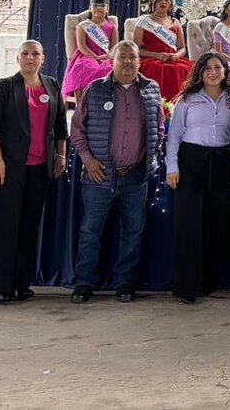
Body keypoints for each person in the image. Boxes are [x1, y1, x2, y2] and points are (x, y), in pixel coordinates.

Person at [69, 40, 164, 304]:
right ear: (112, 61)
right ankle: (84, 282)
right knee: (91, 231)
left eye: (132, 58)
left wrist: (152, 158)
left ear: (139, 61)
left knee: (133, 232)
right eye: (121, 58)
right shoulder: (95, 90)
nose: (127, 62)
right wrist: (88, 160)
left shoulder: (151, 89)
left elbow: (160, 128)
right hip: (99, 176)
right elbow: (77, 130)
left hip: (135, 176)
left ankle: (125, 282)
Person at [0, 40, 68, 304]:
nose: (30, 58)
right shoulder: (5, 87)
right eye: (25, 54)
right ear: (18, 58)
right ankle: (3, 285)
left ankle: (23, 283)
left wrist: (61, 154)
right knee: (8, 226)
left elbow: (59, 126)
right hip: (10, 168)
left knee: (30, 226)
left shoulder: (52, 85)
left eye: (35, 54)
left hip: (41, 169)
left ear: (43, 58)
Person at [166, 52, 230, 303]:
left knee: (216, 223)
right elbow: (174, 136)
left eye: (217, 67)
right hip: (191, 162)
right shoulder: (187, 99)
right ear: (199, 71)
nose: (212, 72)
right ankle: (188, 286)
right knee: (189, 224)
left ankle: (209, 281)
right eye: (207, 67)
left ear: (224, 71)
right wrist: (172, 167)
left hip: (220, 163)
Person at [135, 0, 194, 101]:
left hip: (172, 59)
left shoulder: (175, 22)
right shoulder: (144, 21)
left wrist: (176, 55)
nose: (163, 2)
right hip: (151, 58)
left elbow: (182, 48)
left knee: (185, 68)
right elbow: (135, 49)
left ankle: (177, 107)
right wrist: (156, 55)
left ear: (171, 3)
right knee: (155, 68)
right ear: (153, 2)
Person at [61, 0, 116, 103]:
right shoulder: (83, 25)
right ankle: (80, 103)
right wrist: (95, 57)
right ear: (90, 8)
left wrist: (109, 55)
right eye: (95, 5)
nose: (98, 8)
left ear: (107, 9)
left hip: (105, 55)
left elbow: (115, 45)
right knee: (82, 67)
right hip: (86, 55)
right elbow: (82, 46)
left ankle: (105, 102)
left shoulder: (112, 26)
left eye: (102, 6)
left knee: (110, 69)